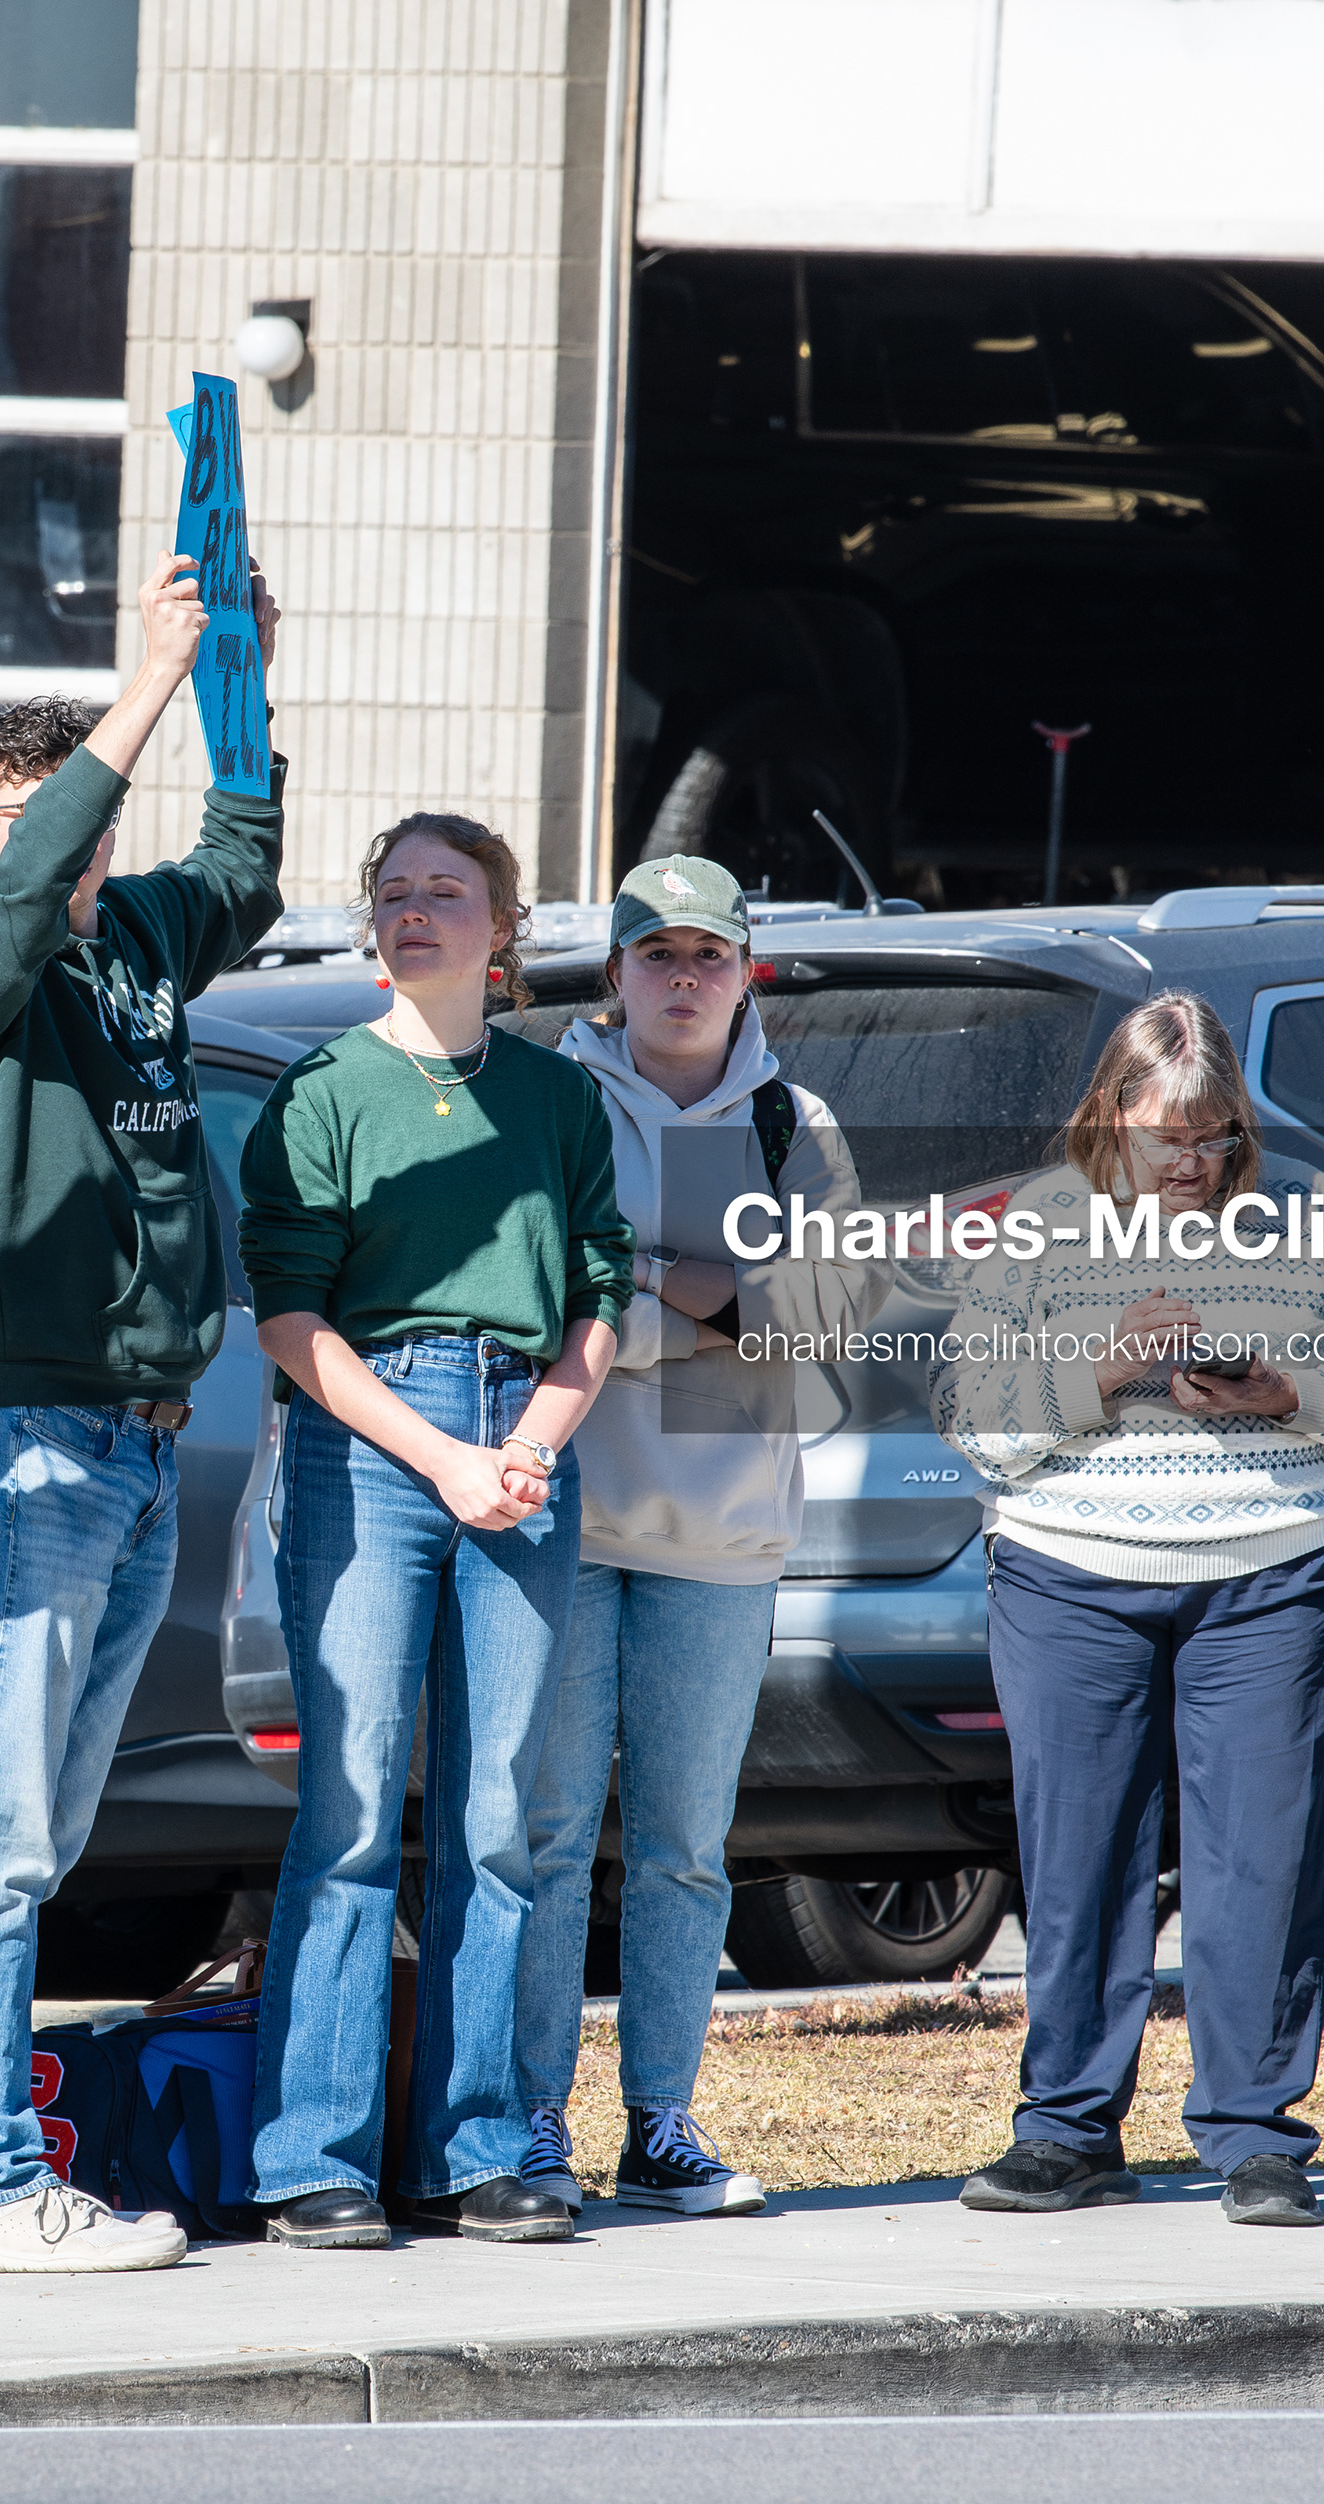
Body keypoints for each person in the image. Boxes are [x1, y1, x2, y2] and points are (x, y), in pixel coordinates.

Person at [0, 551, 287, 2275]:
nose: (49, 836)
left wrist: (244, 672)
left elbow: (248, 865)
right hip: (34, 1430)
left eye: (66, 812)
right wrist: (143, 685)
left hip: (138, 1438)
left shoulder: (131, 938)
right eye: (17, 812)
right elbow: (33, 873)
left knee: (41, 1830)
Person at [932, 992, 1324, 2228]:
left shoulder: (1307, 1214)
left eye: (1216, 1137)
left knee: (1262, 1858)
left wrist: (1281, 1390)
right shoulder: (1039, 1224)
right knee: (1078, 1862)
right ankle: (1067, 2131)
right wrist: (1101, 1370)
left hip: (1273, 1577)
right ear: (1113, 1116)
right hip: (1069, 1579)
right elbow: (974, 1419)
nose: (1197, 1164)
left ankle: (1258, 2137)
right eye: (1170, 1139)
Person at [239, 815, 632, 2248]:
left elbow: (600, 1293)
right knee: (346, 1815)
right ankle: (313, 2162)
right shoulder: (324, 1092)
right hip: (372, 1449)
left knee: (495, 1823)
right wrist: (442, 1459)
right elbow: (292, 1318)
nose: (417, 913)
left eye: (446, 892)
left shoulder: (556, 1097)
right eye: (394, 893)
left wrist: (523, 1447)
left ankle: (476, 2150)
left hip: (524, 1445)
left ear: (502, 926)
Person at [512, 857, 887, 2219]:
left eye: (706, 954)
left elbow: (830, 1325)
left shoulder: (795, 1121)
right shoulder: (550, 1097)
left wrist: (636, 1298)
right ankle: (530, 2124)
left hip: (719, 1544)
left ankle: (660, 2122)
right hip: (558, 1525)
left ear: (748, 970)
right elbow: (542, 1291)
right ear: (612, 973)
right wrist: (713, 1298)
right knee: (547, 1841)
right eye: (653, 953)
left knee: (680, 1847)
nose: (681, 977)